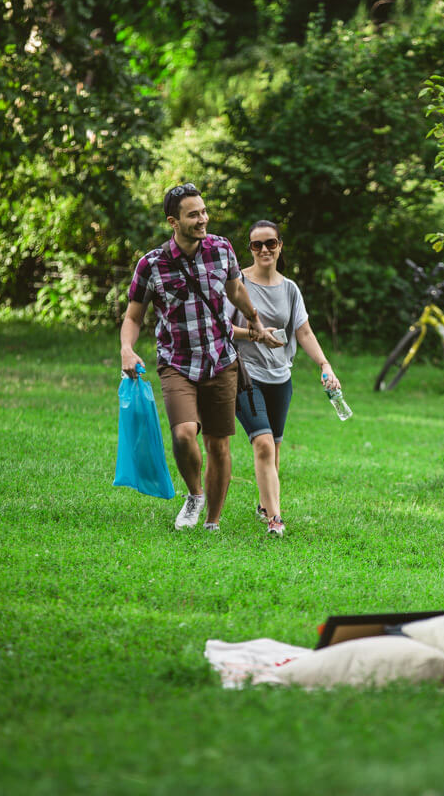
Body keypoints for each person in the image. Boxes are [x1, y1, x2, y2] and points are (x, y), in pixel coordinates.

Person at [120, 184, 270, 532]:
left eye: (204, 211)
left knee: (218, 444)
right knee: (185, 432)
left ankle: (212, 522)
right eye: (193, 214)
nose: (203, 219)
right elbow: (132, 316)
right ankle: (194, 494)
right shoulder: (152, 264)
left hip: (220, 359)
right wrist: (127, 349)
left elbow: (236, 289)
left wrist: (254, 319)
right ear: (174, 221)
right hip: (177, 362)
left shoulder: (221, 249)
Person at [226, 220, 342, 537]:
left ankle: (265, 506)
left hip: (281, 378)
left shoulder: (289, 288)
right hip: (245, 375)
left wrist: (324, 364)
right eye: (256, 244)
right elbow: (220, 327)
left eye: (270, 243)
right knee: (262, 444)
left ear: (280, 246)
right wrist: (256, 335)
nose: (264, 249)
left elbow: (303, 331)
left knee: (274, 449)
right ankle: (276, 518)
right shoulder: (237, 285)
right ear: (249, 249)